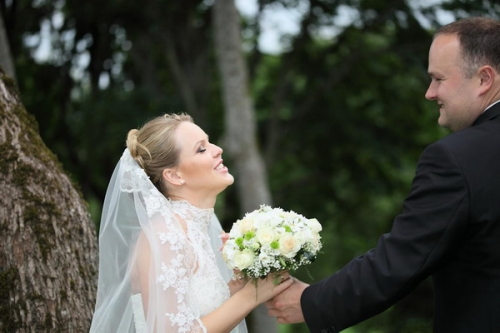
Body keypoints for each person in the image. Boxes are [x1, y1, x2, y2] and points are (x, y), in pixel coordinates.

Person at [266, 16, 500, 333]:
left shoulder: (457, 158)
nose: (430, 93)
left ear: (484, 79)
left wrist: (311, 301)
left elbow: (401, 260)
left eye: (439, 79)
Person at [89, 113, 292, 332]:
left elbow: (202, 314)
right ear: (174, 176)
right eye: (201, 148)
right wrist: (252, 295)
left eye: (209, 141)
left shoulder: (195, 229)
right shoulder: (164, 235)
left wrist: (239, 282)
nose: (217, 149)